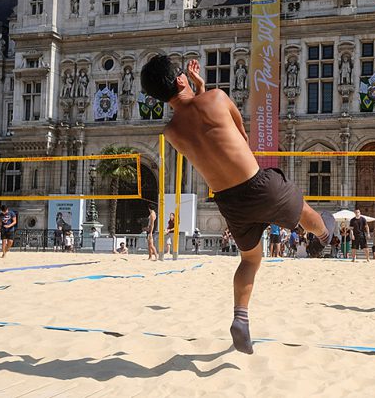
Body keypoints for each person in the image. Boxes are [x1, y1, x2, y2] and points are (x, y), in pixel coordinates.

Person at [140, 55, 335, 354]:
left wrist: (198, 90)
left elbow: (199, 122)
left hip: (229, 203)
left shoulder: (171, 133)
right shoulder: (216, 97)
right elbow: (241, 135)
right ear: (182, 80)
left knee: (250, 261)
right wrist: (203, 88)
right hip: (257, 184)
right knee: (305, 212)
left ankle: (240, 318)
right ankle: (324, 236)